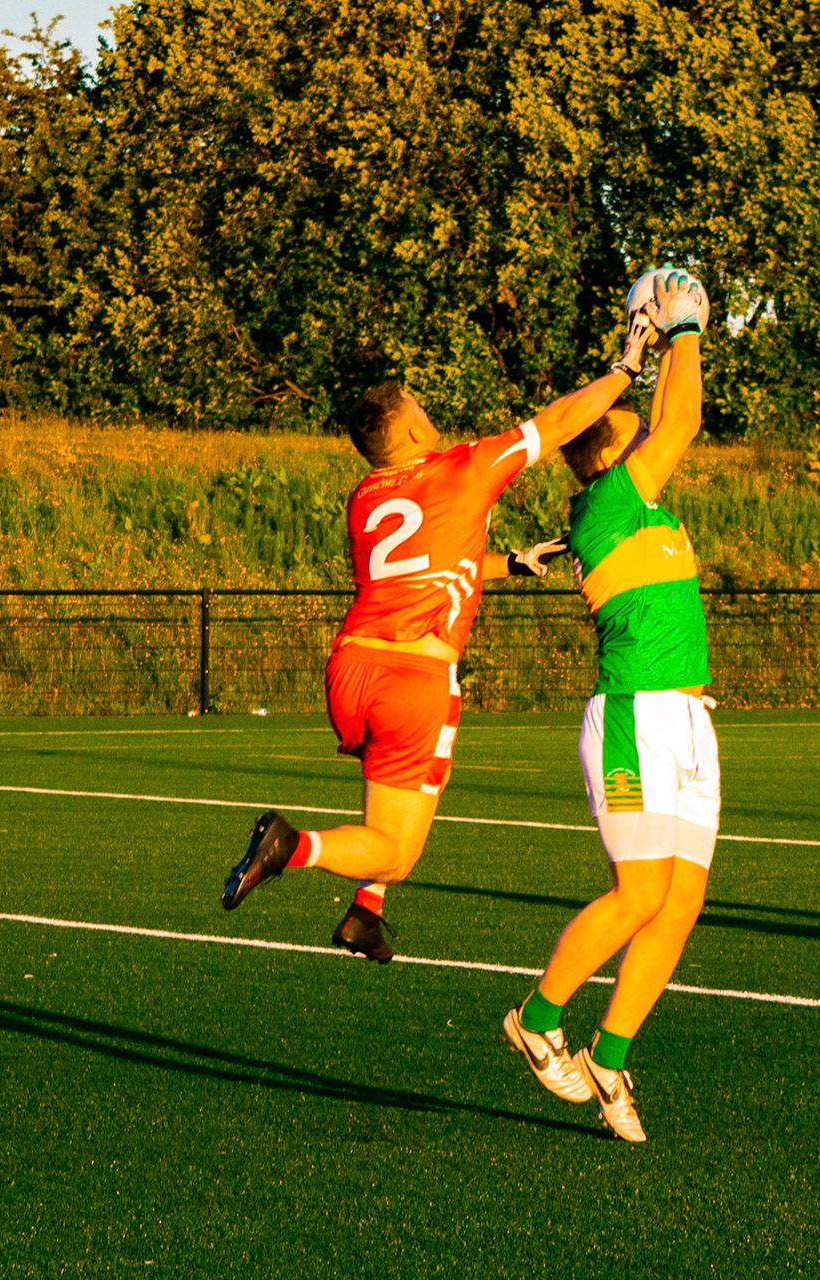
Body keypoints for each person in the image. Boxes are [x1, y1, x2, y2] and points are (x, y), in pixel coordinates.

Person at [218, 303, 668, 962]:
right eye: (419, 407)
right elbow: (558, 422)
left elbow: (425, 567)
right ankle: (293, 846)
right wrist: (625, 367)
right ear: (408, 428)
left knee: (396, 802)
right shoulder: (462, 466)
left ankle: (366, 913)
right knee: (396, 851)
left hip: (352, 669)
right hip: (414, 677)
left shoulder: (366, 497)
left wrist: (510, 563)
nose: (429, 413)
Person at [501, 272, 716, 1141]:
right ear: (608, 455)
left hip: (688, 719)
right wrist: (685, 328)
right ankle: (537, 1019)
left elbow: (666, 422)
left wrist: (650, 344)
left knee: (681, 903)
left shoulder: (628, 504)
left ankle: (610, 1056)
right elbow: (682, 420)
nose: (649, 434)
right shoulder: (613, 497)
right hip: (635, 714)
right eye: (633, 431)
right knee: (638, 894)